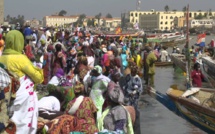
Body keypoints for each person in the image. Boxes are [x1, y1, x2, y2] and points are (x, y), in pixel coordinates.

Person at [0, 30, 44, 134]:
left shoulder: (1, 58)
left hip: (6, 98)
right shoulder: (20, 59)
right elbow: (37, 77)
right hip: (22, 99)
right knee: (21, 124)